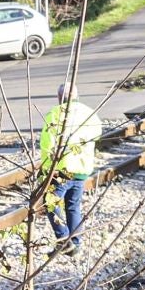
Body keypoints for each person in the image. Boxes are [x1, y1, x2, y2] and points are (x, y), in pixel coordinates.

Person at [38, 82, 101, 252]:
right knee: (73, 206)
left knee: (50, 203)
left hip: (62, 170)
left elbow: (47, 146)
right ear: (77, 96)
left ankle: (64, 238)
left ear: (60, 98)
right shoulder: (89, 113)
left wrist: (46, 172)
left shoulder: (55, 115)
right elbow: (98, 134)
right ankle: (76, 243)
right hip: (82, 169)